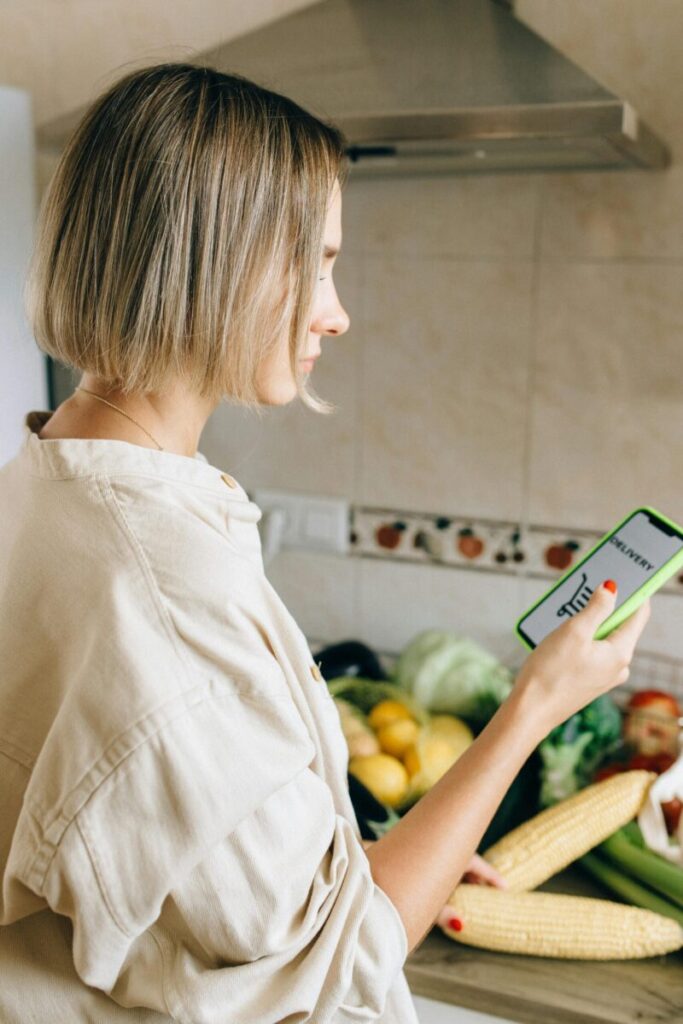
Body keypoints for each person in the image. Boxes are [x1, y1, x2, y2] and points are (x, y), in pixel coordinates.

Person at [0, 63, 650, 1024]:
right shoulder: (159, 582)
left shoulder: (44, 479)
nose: (335, 311)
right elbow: (340, 966)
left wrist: (382, 850)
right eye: (316, 264)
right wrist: (535, 705)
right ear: (215, 259)